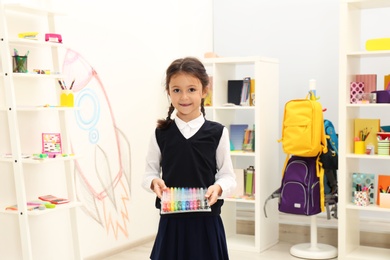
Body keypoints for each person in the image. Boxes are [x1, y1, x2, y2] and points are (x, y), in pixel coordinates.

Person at [142, 57, 237, 260]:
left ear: (204, 90)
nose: (184, 96)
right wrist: (153, 181)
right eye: (176, 90)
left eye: (192, 89)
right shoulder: (160, 134)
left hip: (206, 224)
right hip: (171, 224)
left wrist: (218, 188)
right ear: (169, 92)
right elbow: (149, 173)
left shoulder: (217, 133)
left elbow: (228, 177)